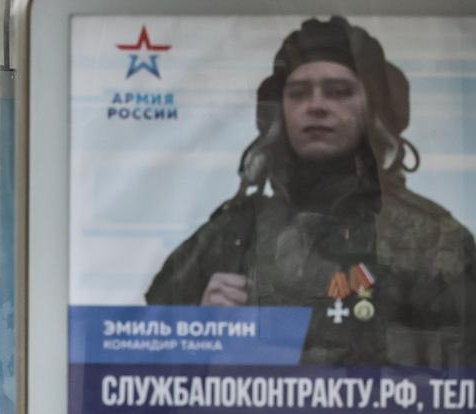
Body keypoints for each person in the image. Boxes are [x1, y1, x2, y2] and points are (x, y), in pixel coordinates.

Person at [145, 16, 476, 369]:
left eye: (338, 92)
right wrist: (196, 330)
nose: (316, 105)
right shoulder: (233, 235)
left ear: (373, 109)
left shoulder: (433, 239)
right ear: (279, 112)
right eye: (299, 93)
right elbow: (136, 378)